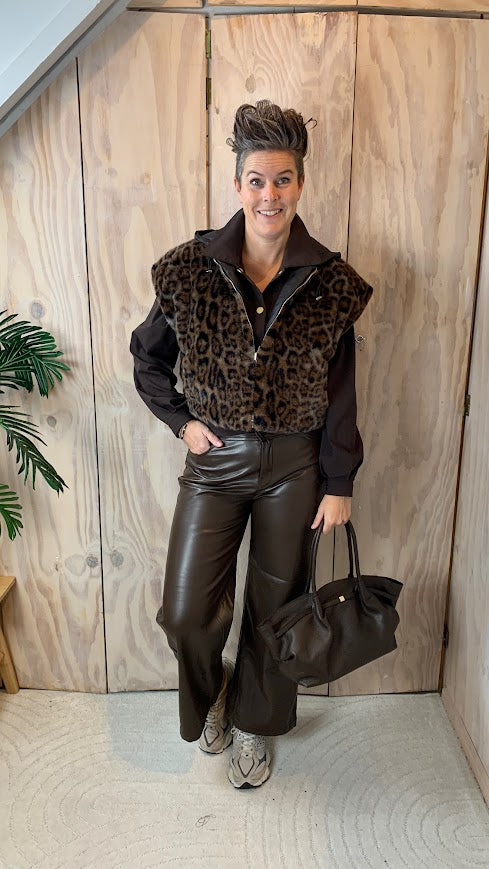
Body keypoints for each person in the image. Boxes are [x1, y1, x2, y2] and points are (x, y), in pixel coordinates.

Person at [130, 100, 373, 789]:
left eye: (283, 180)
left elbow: (342, 392)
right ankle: (214, 693)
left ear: (301, 184)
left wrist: (339, 482)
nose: (270, 195)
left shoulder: (331, 284)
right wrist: (182, 422)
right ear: (238, 184)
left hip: (296, 466)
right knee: (186, 613)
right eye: (257, 180)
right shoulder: (187, 271)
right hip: (215, 463)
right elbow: (147, 357)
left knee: (277, 607)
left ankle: (255, 722)